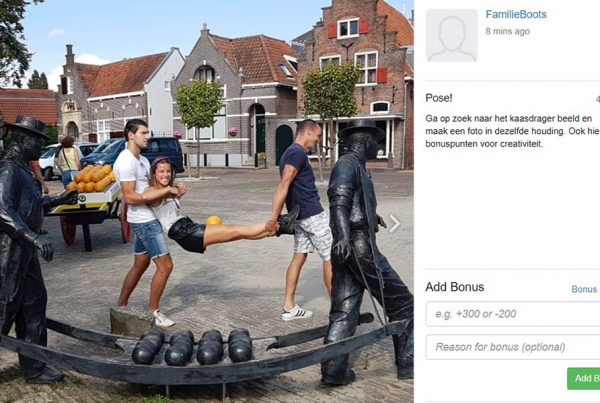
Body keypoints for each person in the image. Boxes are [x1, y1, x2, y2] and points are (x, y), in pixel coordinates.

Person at [321, 119, 414, 386]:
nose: (378, 146)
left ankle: (334, 371)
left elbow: (354, 205)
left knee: (345, 310)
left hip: (351, 246)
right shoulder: (347, 164)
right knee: (404, 304)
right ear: (364, 141)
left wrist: (373, 217)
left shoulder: (357, 166)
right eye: (376, 140)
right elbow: (339, 203)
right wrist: (343, 237)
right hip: (359, 248)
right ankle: (408, 363)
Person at [0, 115, 78, 384]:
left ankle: (35, 367)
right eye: (38, 142)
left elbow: (30, 206)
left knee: (33, 303)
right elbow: (3, 210)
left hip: (24, 252)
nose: (41, 147)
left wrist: (57, 199)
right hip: (8, 252)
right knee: (4, 309)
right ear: (23, 140)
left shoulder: (22, 169)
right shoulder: (8, 170)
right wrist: (33, 237)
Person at [113, 119, 187, 328]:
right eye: (144, 133)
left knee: (140, 265)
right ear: (130, 135)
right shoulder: (126, 161)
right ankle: (153, 311)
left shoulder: (143, 161)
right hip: (144, 222)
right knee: (166, 266)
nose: (148, 137)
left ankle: (121, 307)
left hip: (149, 218)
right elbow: (130, 198)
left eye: (148, 133)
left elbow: (152, 191)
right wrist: (166, 191)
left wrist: (174, 191)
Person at [266, 119, 333, 321]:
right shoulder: (297, 153)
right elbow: (284, 184)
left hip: (300, 216)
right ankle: (340, 311)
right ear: (308, 132)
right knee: (331, 257)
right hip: (312, 214)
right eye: (317, 136)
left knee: (299, 257)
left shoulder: (289, 152)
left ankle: (290, 307)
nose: (318, 141)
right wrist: (274, 218)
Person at [145, 157, 276, 253]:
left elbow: (168, 206)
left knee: (238, 234)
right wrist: (169, 190)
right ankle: (273, 223)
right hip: (182, 232)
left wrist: (178, 194)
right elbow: (146, 197)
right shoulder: (151, 190)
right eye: (161, 171)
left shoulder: (167, 191)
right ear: (154, 174)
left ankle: (276, 230)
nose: (166, 174)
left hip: (186, 226)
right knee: (237, 229)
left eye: (168, 171)